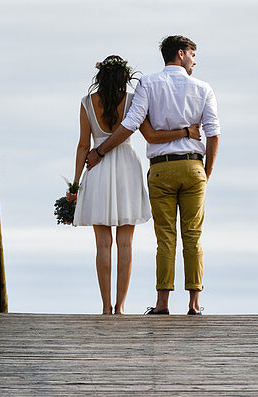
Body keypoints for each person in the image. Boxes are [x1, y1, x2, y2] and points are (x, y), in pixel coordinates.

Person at [86, 36, 220, 315]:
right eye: (193, 55)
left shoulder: (148, 83)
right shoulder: (203, 88)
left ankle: (162, 304)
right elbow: (213, 133)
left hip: (161, 168)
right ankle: (194, 304)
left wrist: (99, 151)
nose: (195, 60)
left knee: (166, 237)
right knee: (193, 236)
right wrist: (206, 171)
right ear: (181, 54)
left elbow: (131, 125)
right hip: (194, 165)